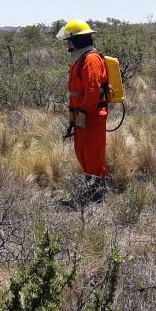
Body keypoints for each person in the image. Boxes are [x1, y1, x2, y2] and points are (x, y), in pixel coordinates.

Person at [56, 19, 108, 203]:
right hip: (81, 115)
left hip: (91, 115)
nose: (68, 45)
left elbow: (92, 90)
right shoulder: (81, 59)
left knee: (93, 154)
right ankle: (90, 190)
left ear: (76, 41)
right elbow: (77, 91)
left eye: (69, 41)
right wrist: (73, 111)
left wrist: (84, 113)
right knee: (83, 152)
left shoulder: (91, 59)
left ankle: (96, 196)